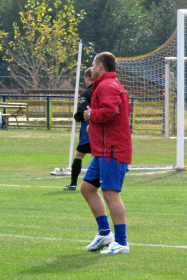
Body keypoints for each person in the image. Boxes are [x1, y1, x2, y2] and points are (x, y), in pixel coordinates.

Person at [81, 52, 132, 255]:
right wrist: (92, 125)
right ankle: (105, 234)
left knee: (111, 193)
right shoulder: (106, 85)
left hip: (112, 150)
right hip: (103, 150)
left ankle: (121, 242)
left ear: (100, 66)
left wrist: (91, 115)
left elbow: (110, 112)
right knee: (87, 188)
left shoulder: (107, 85)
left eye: (93, 65)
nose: (91, 68)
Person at [63, 67, 93, 191]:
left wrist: (77, 116)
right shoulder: (103, 89)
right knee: (102, 155)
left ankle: (73, 183)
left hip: (89, 131)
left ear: (87, 77)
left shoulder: (87, 93)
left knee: (79, 155)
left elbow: (83, 110)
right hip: (103, 132)